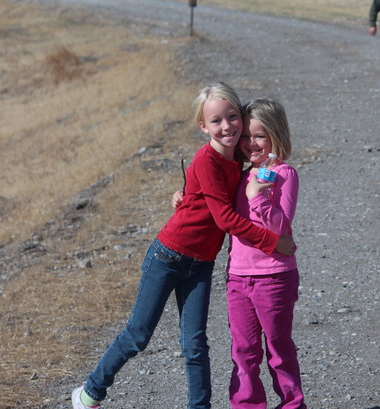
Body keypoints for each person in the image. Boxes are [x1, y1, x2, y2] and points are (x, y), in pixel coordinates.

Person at [71, 82, 295, 409]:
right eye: (216, 121)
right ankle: (91, 392)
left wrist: (184, 194)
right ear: (203, 126)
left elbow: (204, 193)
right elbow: (225, 219)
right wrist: (272, 242)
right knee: (138, 335)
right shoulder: (207, 159)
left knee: (195, 344)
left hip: (201, 264)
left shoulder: (238, 163)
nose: (227, 126)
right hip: (168, 256)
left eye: (233, 117)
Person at [174, 98, 305, 408]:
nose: (250, 143)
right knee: (243, 352)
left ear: (276, 135)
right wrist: (185, 197)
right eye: (246, 136)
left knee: (278, 348)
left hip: (274, 277)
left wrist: (257, 199)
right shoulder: (242, 173)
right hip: (238, 278)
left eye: (259, 136)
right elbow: (217, 206)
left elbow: (281, 228)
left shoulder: (284, 174)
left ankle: (292, 403)